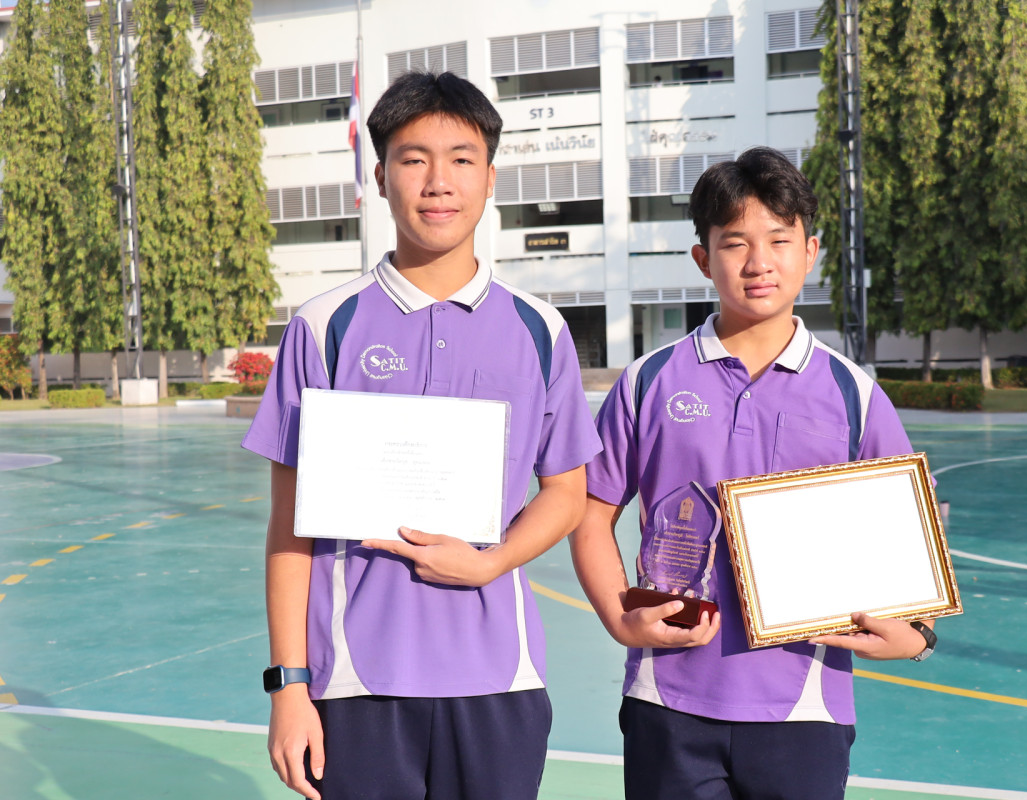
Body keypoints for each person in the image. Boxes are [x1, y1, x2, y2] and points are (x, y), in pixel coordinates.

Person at [243, 71, 601, 800]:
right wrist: (289, 686)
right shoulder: (323, 327)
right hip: (353, 683)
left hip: (499, 679)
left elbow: (566, 493)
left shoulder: (539, 330)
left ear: (490, 177)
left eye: (462, 159)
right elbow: (289, 528)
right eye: (413, 159)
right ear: (380, 177)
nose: (439, 182)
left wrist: (491, 562)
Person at [571, 146, 937, 800]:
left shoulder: (854, 395)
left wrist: (918, 637)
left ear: (811, 251)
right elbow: (590, 513)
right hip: (668, 699)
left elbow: (905, 535)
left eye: (779, 239)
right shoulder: (649, 381)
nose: (758, 262)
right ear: (702, 258)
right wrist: (618, 617)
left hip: (805, 709)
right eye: (735, 242)